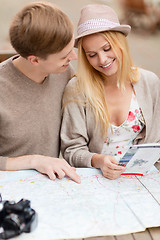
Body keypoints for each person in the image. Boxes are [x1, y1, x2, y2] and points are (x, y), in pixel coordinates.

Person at [61, 4, 160, 180]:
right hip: (95, 182)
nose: (102, 60)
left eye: (107, 48)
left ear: (120, 42)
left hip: (143, 182)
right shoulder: (77, 89)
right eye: (92, 55)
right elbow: (71, 150)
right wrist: (98, 160)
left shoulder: (149, 82)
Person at [0, 1, 81, 183]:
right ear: (35, 60)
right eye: (64, 55)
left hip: (50, 186)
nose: (74, 57)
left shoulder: (64, 73)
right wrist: (34, 160)